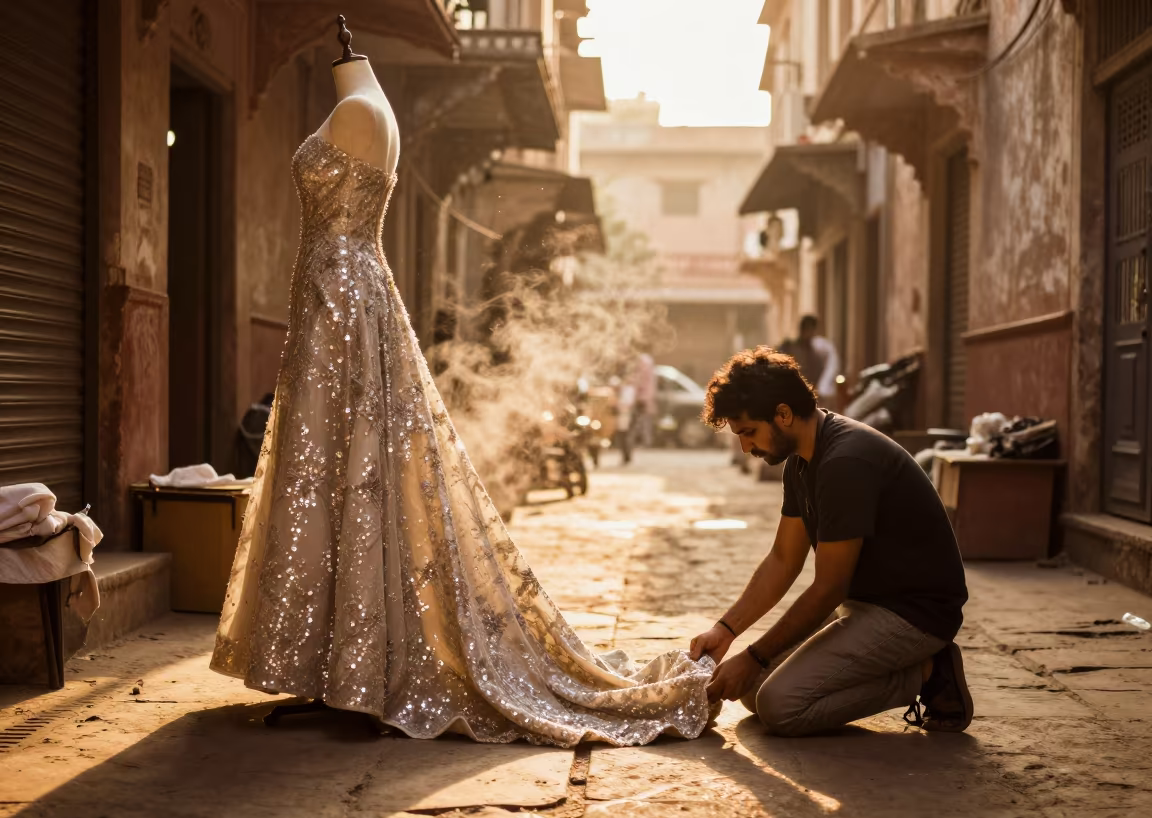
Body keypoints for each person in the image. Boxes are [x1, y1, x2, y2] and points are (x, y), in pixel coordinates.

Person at [209, 50, 711, 748]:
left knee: (348, 474)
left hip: (342, 302)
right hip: (346, 298)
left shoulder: (358, 109)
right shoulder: (372, 107)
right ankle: (342, 664)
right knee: (338, 475)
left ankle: (357, 671)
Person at [689, 347, 972, 736]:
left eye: (749, 432)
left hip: (915, 615)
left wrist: (755, 655)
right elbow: (783, 559)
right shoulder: (800, 461)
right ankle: (902, 667)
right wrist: (725, 631)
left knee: (779, 706)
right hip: (864, 606)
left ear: (783, 414)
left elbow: (827, 589)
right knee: (753, 691)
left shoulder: (845, 462)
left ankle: (928, 673)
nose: (745, 448)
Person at [779, 315, 839, 409]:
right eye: (805, 328)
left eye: (810, 329)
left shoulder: (824, 348)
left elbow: (831, 368)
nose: (808, 332)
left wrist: (823, 388)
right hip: (796, 391)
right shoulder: (790, 347)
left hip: (817, 392)